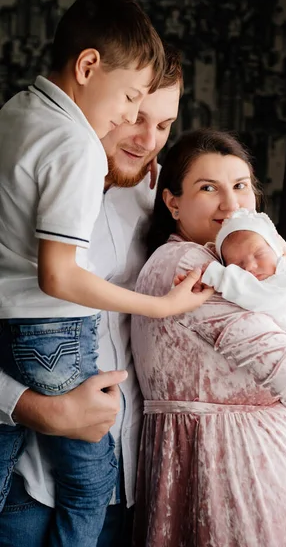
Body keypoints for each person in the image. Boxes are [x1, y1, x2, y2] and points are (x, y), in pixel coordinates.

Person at [0, 44, 187, 546]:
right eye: (135, 115)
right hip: (28, 489)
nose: (147, 139)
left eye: (164, 125)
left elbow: (237, 238)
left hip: (130, 491)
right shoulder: (14, 186)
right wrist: (33, 409)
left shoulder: (157, 203)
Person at [131, 128, 286, 547]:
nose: (231, 204)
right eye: (209, 188)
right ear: (172, 201)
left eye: (241, 186)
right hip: (239, 471)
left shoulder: (235, 264)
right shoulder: (189, 265)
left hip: (244, 463)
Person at [201, 207, 286, 437]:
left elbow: (254, 294)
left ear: (276, 251)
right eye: (238, 265)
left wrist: (217, 275)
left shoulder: (283, 281)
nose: (251, 267)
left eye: (259, 254)